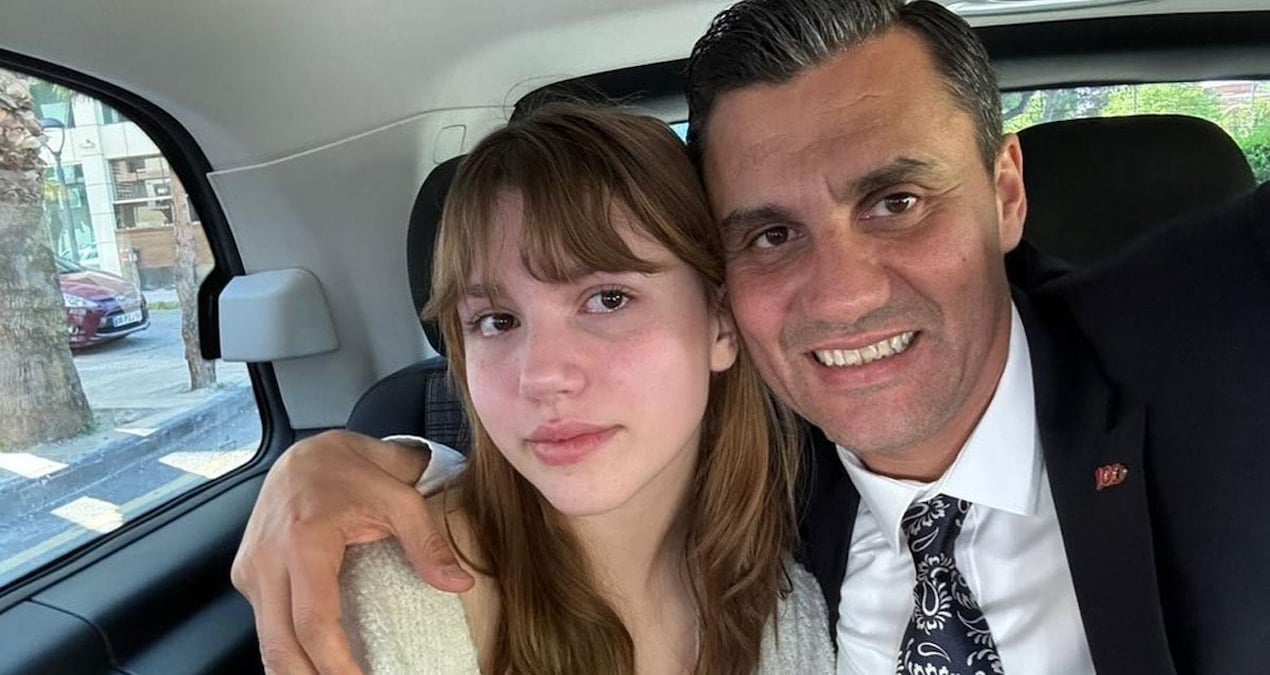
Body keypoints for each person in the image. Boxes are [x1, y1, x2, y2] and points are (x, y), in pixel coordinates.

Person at [233, 1, 1270, 673]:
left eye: (897, 201)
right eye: (771, 234)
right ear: (726, 305)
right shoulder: (768, 508)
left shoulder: (1222, 344)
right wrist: (331, 461)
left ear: (1004, 192)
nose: (842, 295)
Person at [333, 102, 833, 674]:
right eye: (497, 321)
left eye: (608, 299)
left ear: (720, 323)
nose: (542, 375)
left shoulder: (790, 614)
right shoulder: (377, 605)